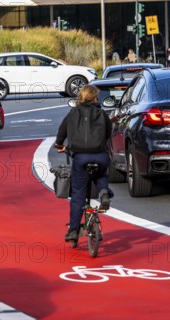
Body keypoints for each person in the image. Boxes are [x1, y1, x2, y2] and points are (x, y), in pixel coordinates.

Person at [54, 84, 113, 242]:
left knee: (78, 194)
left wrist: (59, 144)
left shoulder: (73, 113)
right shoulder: (101, 113)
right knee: (101, 174)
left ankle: (73, 230)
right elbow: (109, 131)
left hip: (80, 156)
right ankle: (104, 193)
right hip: (100, 155)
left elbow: (62, 131)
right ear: (95, 97)